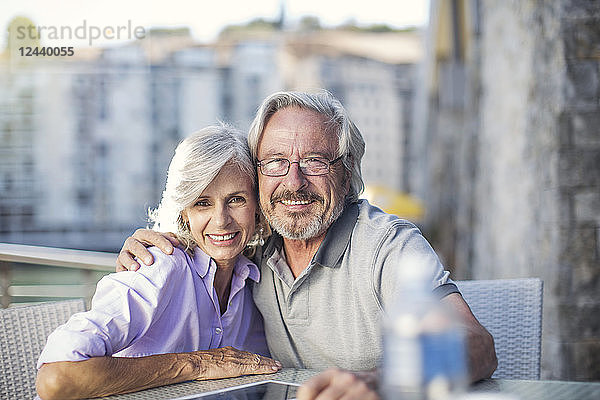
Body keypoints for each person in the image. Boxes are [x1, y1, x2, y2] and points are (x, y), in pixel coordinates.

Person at [117, 90, 497, 399]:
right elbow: (203, 232)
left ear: (346, 174)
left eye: (315, 161)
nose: (294, 182)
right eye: (275, 162)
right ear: (258, 177)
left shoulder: (387, 245)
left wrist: (381, 382)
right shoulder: (254, 248)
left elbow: (477, 345)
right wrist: (146, 243)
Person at [35, 126, 282, 400]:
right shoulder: (160, 265)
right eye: (202, 203)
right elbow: (57, 379)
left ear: (258, 207)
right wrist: (197, 364)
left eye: (236, 200)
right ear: (184, 214)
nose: (221, 219)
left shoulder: (254, 280)